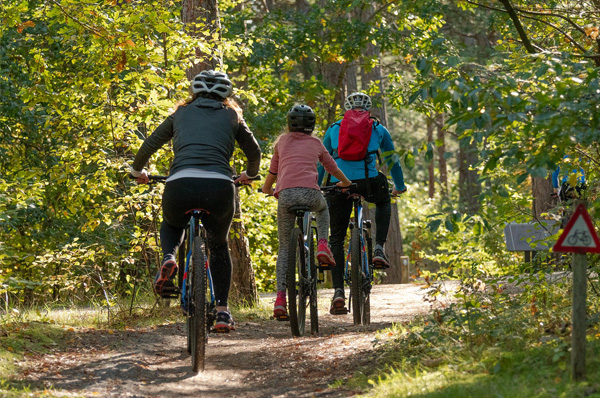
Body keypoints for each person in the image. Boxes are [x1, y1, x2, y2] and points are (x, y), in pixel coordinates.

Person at [130, 70, 261, 333]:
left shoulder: (180, 114)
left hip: (180, 183)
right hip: (219, 186)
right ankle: (222, 311)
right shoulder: (232, 115)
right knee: (219, 246)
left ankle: (169, 257)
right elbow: (254, 152)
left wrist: (137, 172)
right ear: (227, 95)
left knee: (172, 223)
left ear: (194, 92)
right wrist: (250, 174)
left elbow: (149, 145)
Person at [318, 92, 407, 315]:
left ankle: (338, 291)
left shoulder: (334, 128)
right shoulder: (378, 128)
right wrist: (399, 185)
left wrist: (318, 185)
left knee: (336, 237)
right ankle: (378, 248)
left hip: (340, 185)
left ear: (347, 109)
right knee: (384, 201)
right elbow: (392, 161)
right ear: (368, 109)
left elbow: (322, 161)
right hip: (369, 183)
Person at [261, 104, 352, 320]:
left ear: (289, 123)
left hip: (286, 197)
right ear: (312, 125)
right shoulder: (316, 143)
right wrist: (346, 182)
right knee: (323, 209)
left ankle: (281, 299)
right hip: (312, 195)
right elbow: (331, 167)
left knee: (284, 248)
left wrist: (267, 189)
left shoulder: (281, 142)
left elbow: (273, 171)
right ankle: (322, 244)